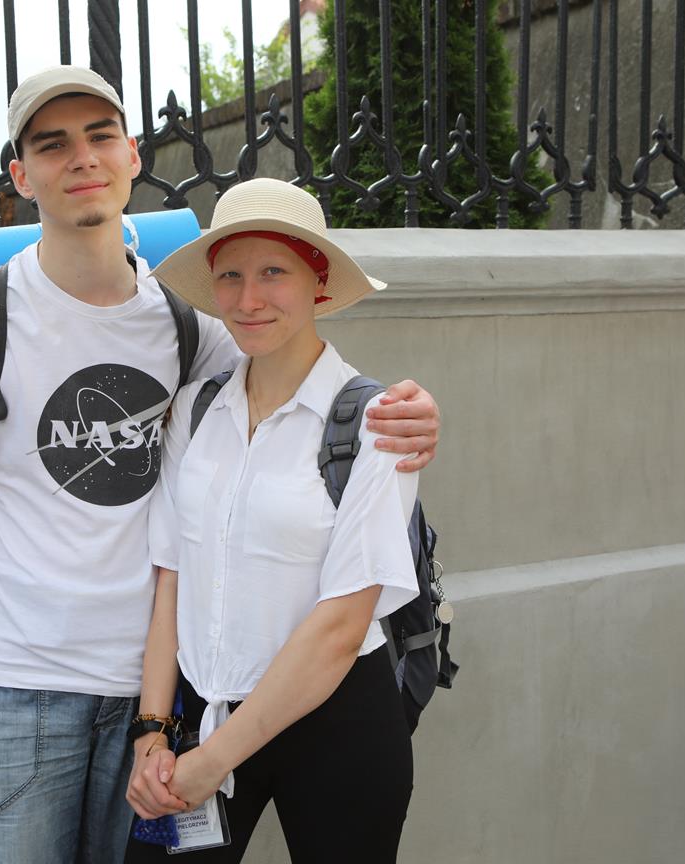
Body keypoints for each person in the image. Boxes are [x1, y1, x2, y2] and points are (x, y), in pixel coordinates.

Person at [0, 66, 439, 864]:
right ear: (20, 175)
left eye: (100, 136)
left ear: (133, 154)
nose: (82, 158)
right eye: (53, 144)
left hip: (161, 696)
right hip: (19, 683)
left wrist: (411, 415)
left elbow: (292, 375)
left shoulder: (195, 332)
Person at [125, 178, 420, 863]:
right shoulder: (196, 411)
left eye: (273, 273)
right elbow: (173, 576)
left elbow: (340, 628)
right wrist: (153, 730)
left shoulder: (379, 425)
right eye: (230, 275)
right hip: (203, 710)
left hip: (336, 722)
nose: (248, 299)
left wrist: (212, 760)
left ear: (319, 282)